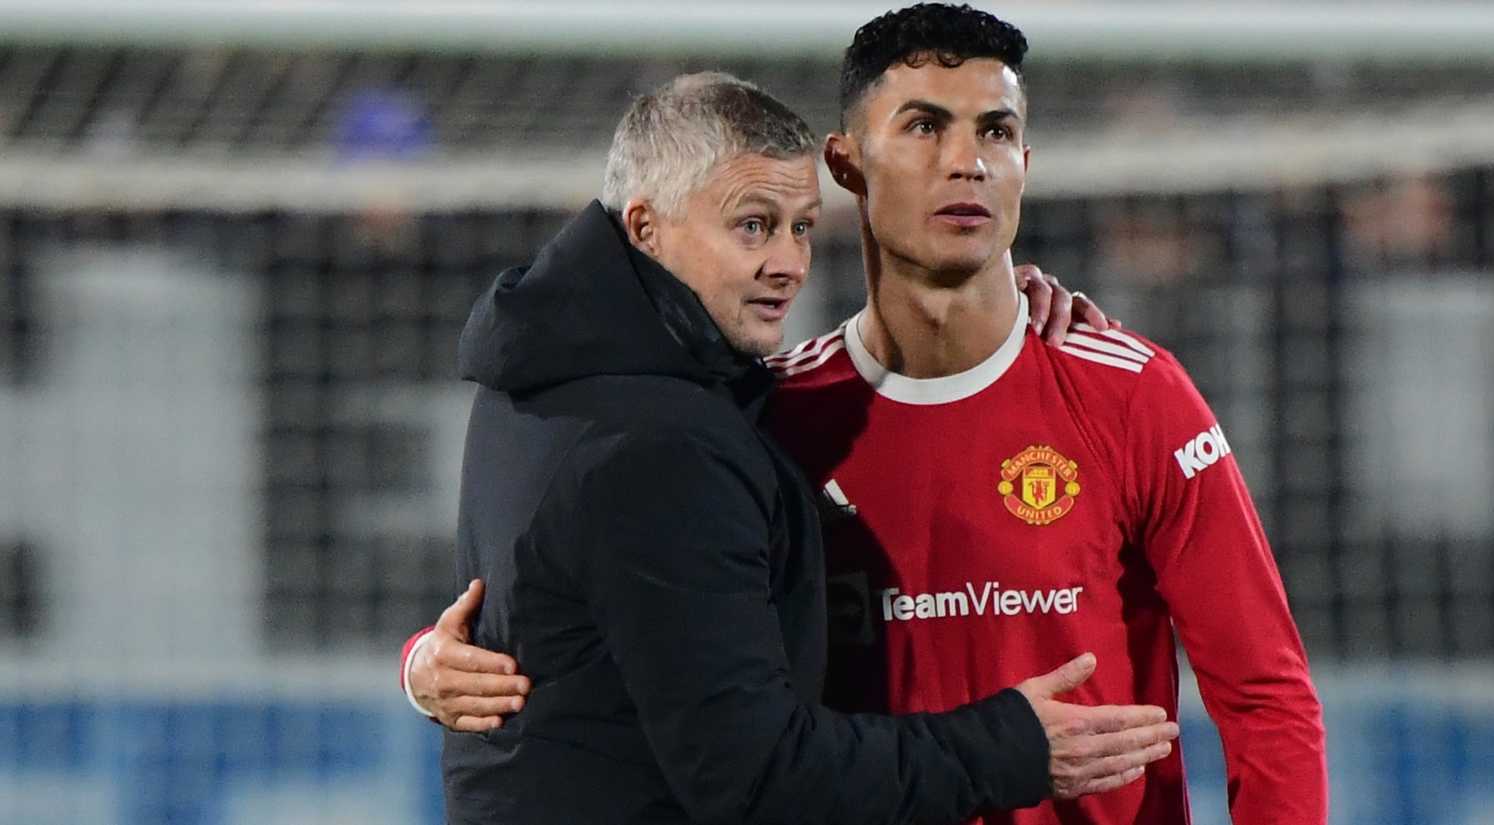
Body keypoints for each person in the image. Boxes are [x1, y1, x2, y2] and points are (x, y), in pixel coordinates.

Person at [433, 70, 1182, 825]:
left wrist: (979, 307)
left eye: (801, 228)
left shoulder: (535, 375)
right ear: (645, 226)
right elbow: (759, 778)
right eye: (752, 225)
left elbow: (558, 616)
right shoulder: (662, 445)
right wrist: (1010, 745)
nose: (788, 263)